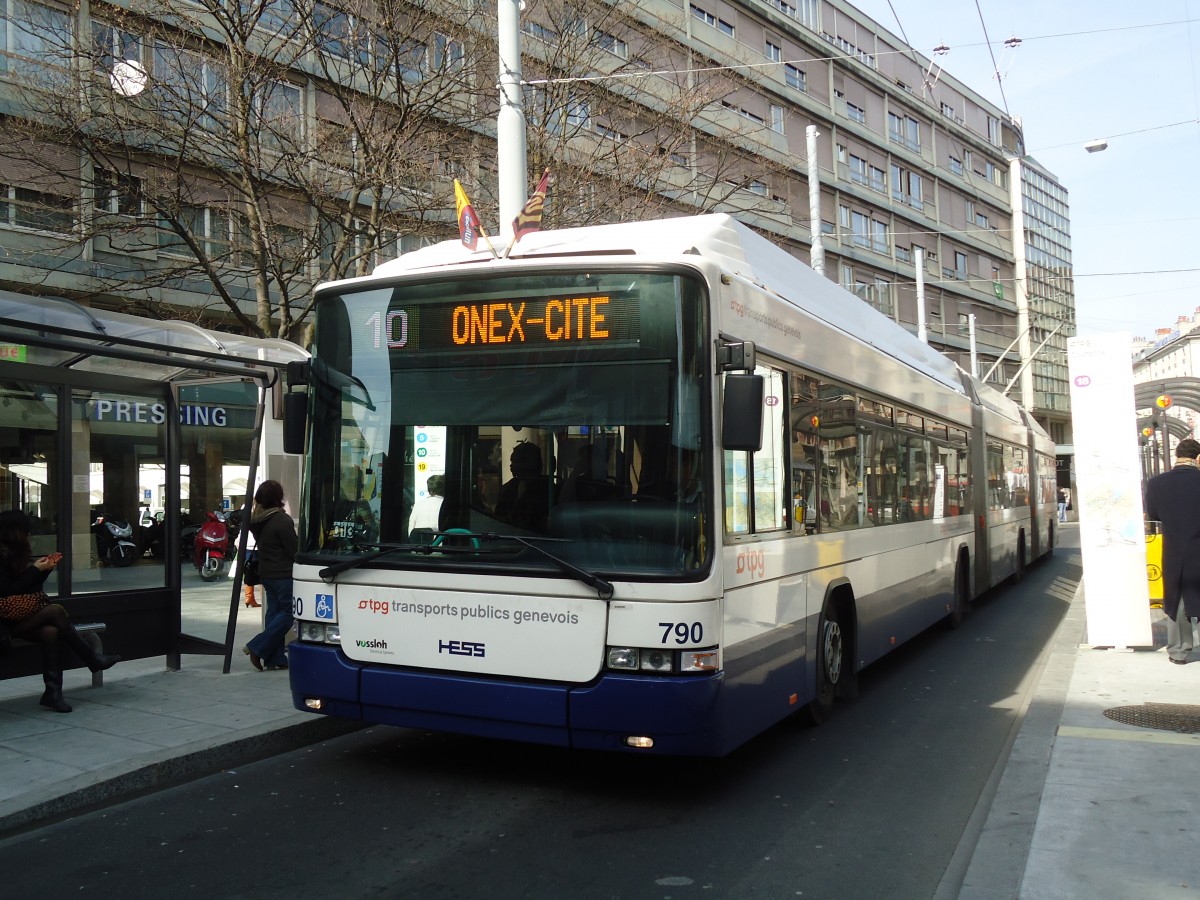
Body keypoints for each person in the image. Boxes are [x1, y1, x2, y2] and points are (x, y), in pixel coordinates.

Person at [0, 510, 120, 712]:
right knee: (55, 611)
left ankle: (53, 693)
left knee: (51, 631)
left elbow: (27, 590)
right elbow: (6, 592)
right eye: (27, 532)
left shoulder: (16, 553)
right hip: (4, 622)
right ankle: (91, 658)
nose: (30, 536)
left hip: (17, 618)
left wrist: (43, 572)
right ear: (16, 532)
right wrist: (34, 570)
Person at [1144, 438, 1200, 665]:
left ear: (1176, 455)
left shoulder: (1157, 483)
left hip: (1174, 549)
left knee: (1177, 600)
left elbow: (1153, 514)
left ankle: (1178, 651)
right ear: (1197, 457)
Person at [242, 481, 298, 671]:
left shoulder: (257, 520)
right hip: (283, 573)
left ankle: (275, 659)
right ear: (278, 497)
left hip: (266, 573)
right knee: (290, 612)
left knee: (274, 614)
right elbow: (294, 549)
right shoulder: (281, 521)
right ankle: (257, 646)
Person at [493, 441, 550, 532]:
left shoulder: (547, 489)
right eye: (512, 461)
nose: (511, 466)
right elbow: (498, 516)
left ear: (529, 463)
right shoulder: (508, 487)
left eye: (516, 462)